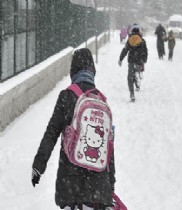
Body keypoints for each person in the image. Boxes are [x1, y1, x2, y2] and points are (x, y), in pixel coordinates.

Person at [31, 48, 116, 210]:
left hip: (70, 182)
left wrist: (38, 165)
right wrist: (110, 183)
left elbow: (52, 133)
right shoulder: (101, 100)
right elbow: (109, 147)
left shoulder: (66, 96)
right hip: (98, 187)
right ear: (92, 70)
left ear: (73, 70)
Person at [118, 24, 148, 102]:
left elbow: (125, 50)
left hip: (131, 61)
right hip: (139, 61)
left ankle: (132, 94)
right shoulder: (142, 41)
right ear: (138, 32)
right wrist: (144, 60)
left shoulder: (129, 40)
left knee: (130, 78)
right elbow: (145, 51)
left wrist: (120, 59)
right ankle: (137, 78)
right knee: (137, 72)